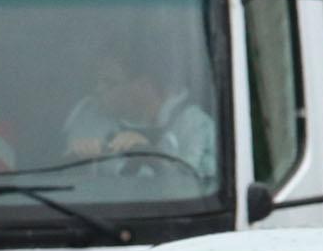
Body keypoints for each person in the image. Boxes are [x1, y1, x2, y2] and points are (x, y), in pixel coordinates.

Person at [63, 44, 219, 181]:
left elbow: (199, 190)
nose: (98, 90)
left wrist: (151, 156)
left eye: (109, 83)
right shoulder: (89, 117)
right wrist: (76, 159)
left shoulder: (195, 127)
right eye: (96, 82)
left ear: (143, 86)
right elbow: (60, 181)